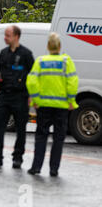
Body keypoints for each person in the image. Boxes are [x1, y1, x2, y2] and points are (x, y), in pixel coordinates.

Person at [0, 25, 34, 169]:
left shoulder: (26, 54)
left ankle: (18, 158)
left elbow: (33, 76)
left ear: (16, 36)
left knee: (20, 129)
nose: (5, 38)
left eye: (8, 35)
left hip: (20, 97)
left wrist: (31, 95)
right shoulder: (3, 53)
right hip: (4, 96)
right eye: (5, 35)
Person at [26, 33, 79, 177]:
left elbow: (31, 81)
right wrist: (71, 101)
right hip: (61, 107)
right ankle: (54, 169)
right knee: (58, 138)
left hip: (43, 106)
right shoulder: (66, 62)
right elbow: (72, 82)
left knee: (41, 136)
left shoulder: (41, 61)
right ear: (60, 46)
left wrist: (36, 100)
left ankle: (36, 167)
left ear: (48, 47)